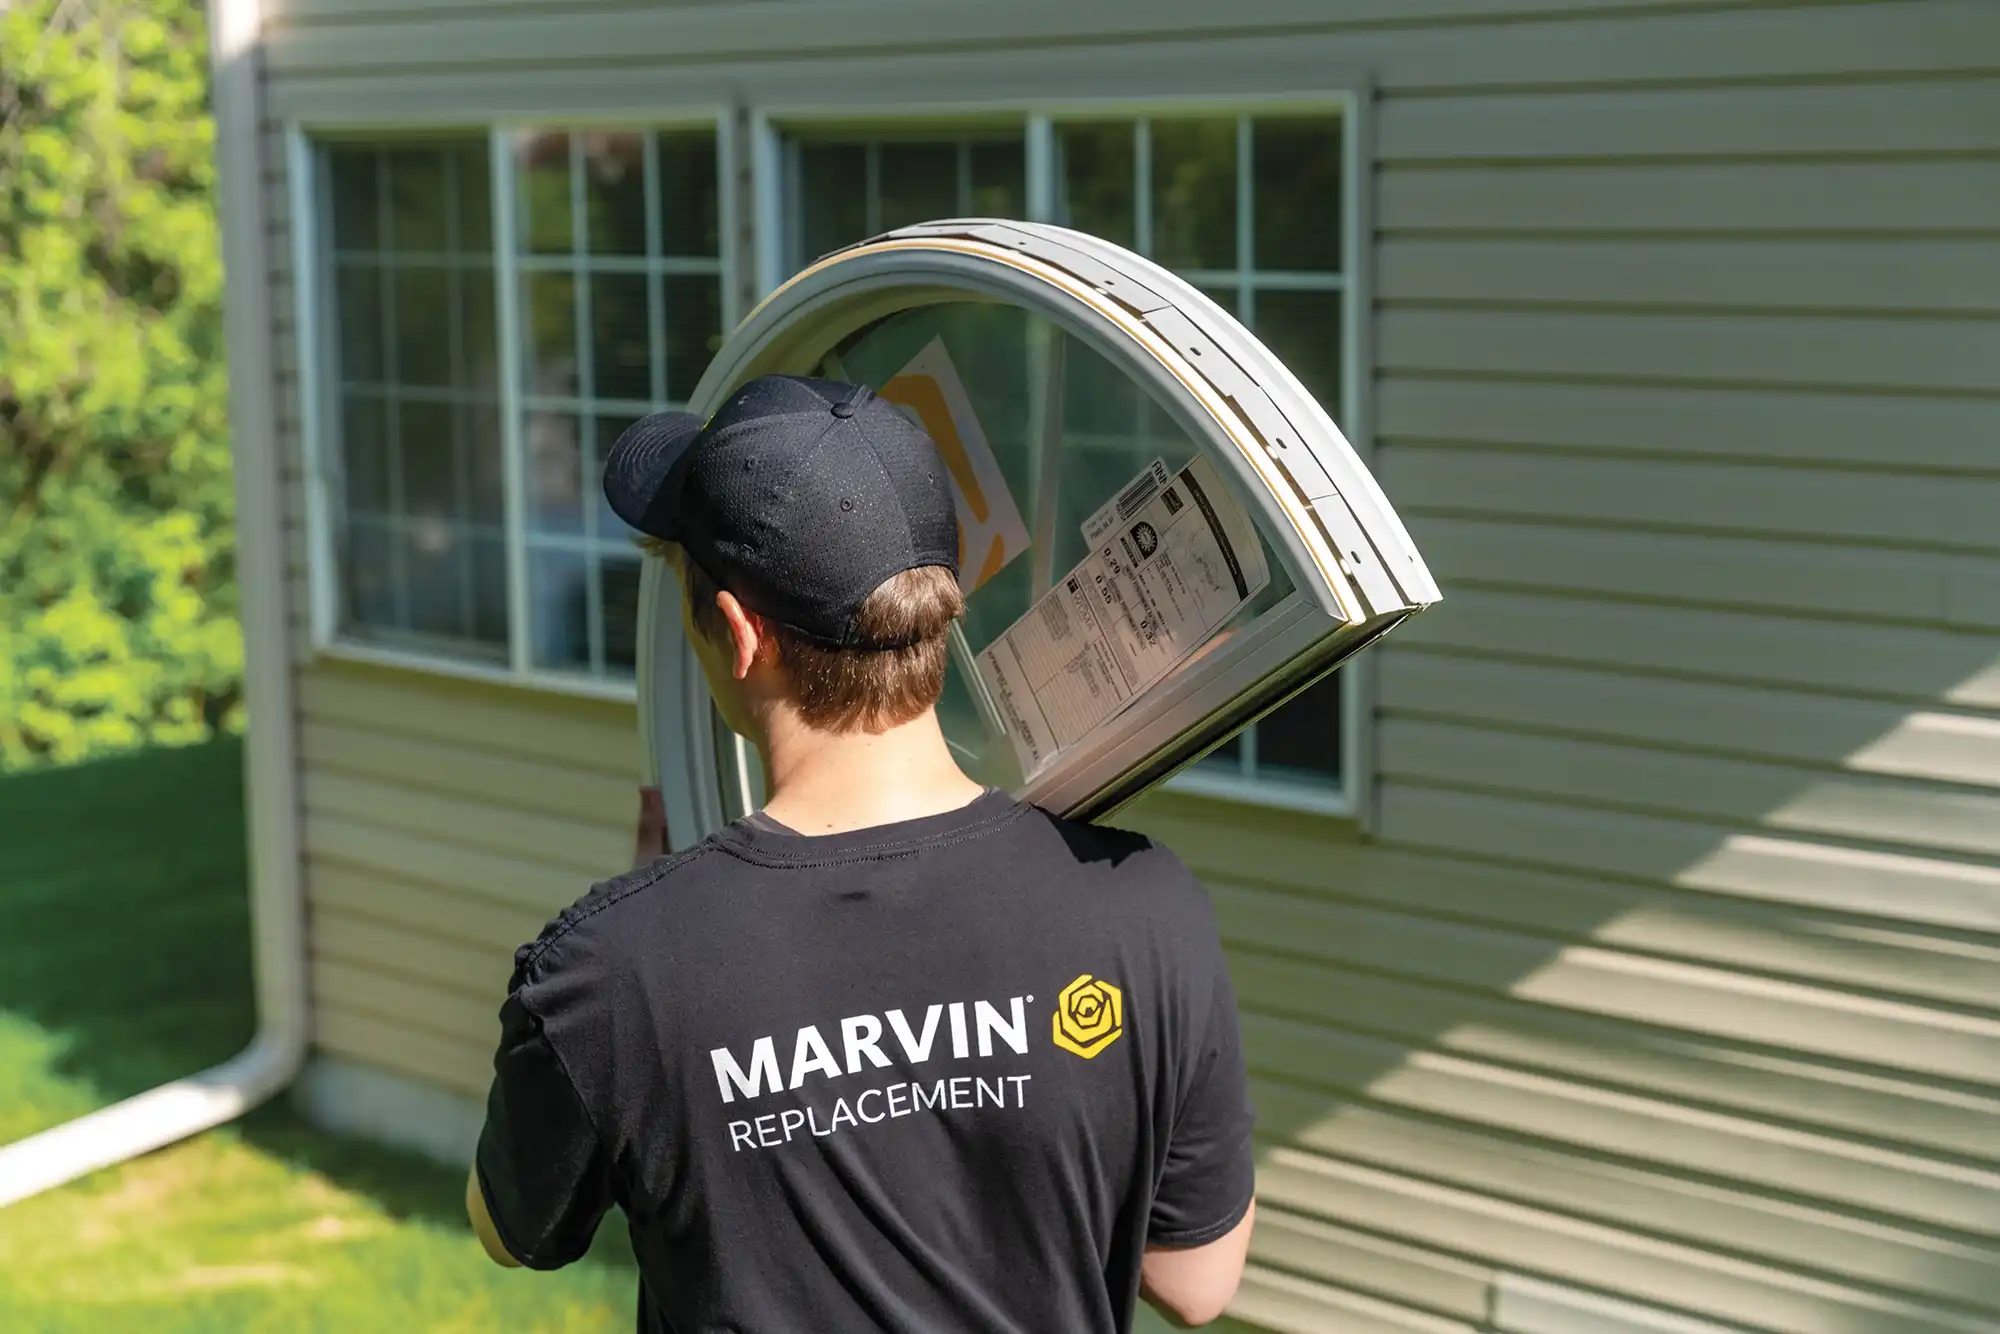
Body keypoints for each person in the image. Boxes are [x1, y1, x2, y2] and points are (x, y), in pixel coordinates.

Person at [465, 374, 1256, 1333]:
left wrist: (658, 920)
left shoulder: (609, 971)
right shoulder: (1143, 905)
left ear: (741, 634)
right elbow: (1195, 1283)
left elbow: (514, 1230)